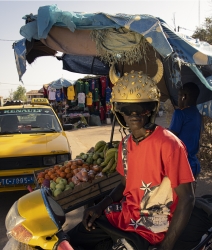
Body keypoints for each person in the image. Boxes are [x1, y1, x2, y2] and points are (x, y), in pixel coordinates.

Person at [67, 61, 201, 250]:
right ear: (119, 111)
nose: (135, 114)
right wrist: (100, 206)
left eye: (142, 107)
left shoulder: (169, 144)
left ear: (152, 109)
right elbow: (124, 183)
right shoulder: (125, 144)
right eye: (128, 109)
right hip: (123, 217)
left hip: (150, 227)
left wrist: (166, 246)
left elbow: (187, 198)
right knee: (71, 239)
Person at [169, 82, 202, 180]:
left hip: (181, 165)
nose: (178, 98)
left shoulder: (179, 114)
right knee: (190, 194)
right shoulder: (198, 114)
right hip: (194, 164)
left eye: (179, 95)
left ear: (184, 97)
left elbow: (171, 139)